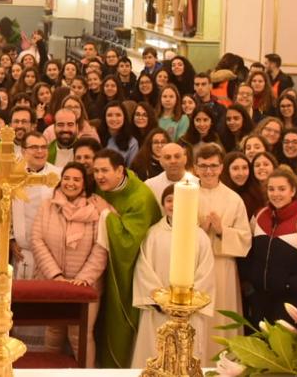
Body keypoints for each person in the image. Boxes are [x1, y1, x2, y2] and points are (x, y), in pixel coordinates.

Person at [30, 163, 110, 366]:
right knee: (54, 330)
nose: (70, 183)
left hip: (85, 285)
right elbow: (37, 240)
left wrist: (83, 279)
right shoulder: (48, 205)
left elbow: (101, 246)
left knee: (80, 335)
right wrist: (55, 276)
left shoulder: (96, 209)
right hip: (53, 282)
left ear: (84, 184)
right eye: (66, 178)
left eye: (76, 179)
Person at [131, 183, 215, 369]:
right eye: (169, 200)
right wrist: (160, 300)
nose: (174, 204)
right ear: (163, 203)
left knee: (186, 357)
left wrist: (186, 304)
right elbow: (144, 269)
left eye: (179, 200)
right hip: (158, 310)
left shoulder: (200, 237)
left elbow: (205, 272)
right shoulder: (153, 234)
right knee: (154, 353)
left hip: (189, 311)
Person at [91, 148, 161, 368]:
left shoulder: (141, 196)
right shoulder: (101, 189)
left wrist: (107, 214)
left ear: (120, 170)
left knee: (118, 323)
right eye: (95, 171)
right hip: (99, 266)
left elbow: (130, 242)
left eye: (104, 170)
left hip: (131, 271)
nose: (99, 176)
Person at [243, 167, 297, 324]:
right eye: (271, 189)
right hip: (259, 298)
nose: (276, 194)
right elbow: (249, 251)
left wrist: (291, 285)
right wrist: (251, 280)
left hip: (291, 302)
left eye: (282, 189)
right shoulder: (259, 216)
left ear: (293, 191)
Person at [191, 143, 251, 357]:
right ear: (195, 168)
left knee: (220, 317)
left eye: (213, 166)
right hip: (193, 268)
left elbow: (245, 239)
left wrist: (221, 231)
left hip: (222, 267)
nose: (208, 171)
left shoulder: (233, 199)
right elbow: (174, 231)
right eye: (203, 166)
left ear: (221, 167)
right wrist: (200, 230)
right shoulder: (187, 194)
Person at [12, 130, 61, 279]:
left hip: (50, 252)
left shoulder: (58, 175)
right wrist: (11, 239)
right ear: (23, 150)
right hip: (22, 251)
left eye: (43, 147)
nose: (40, 152)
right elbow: (4, 209)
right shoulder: (12, 175)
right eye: (34, 147)